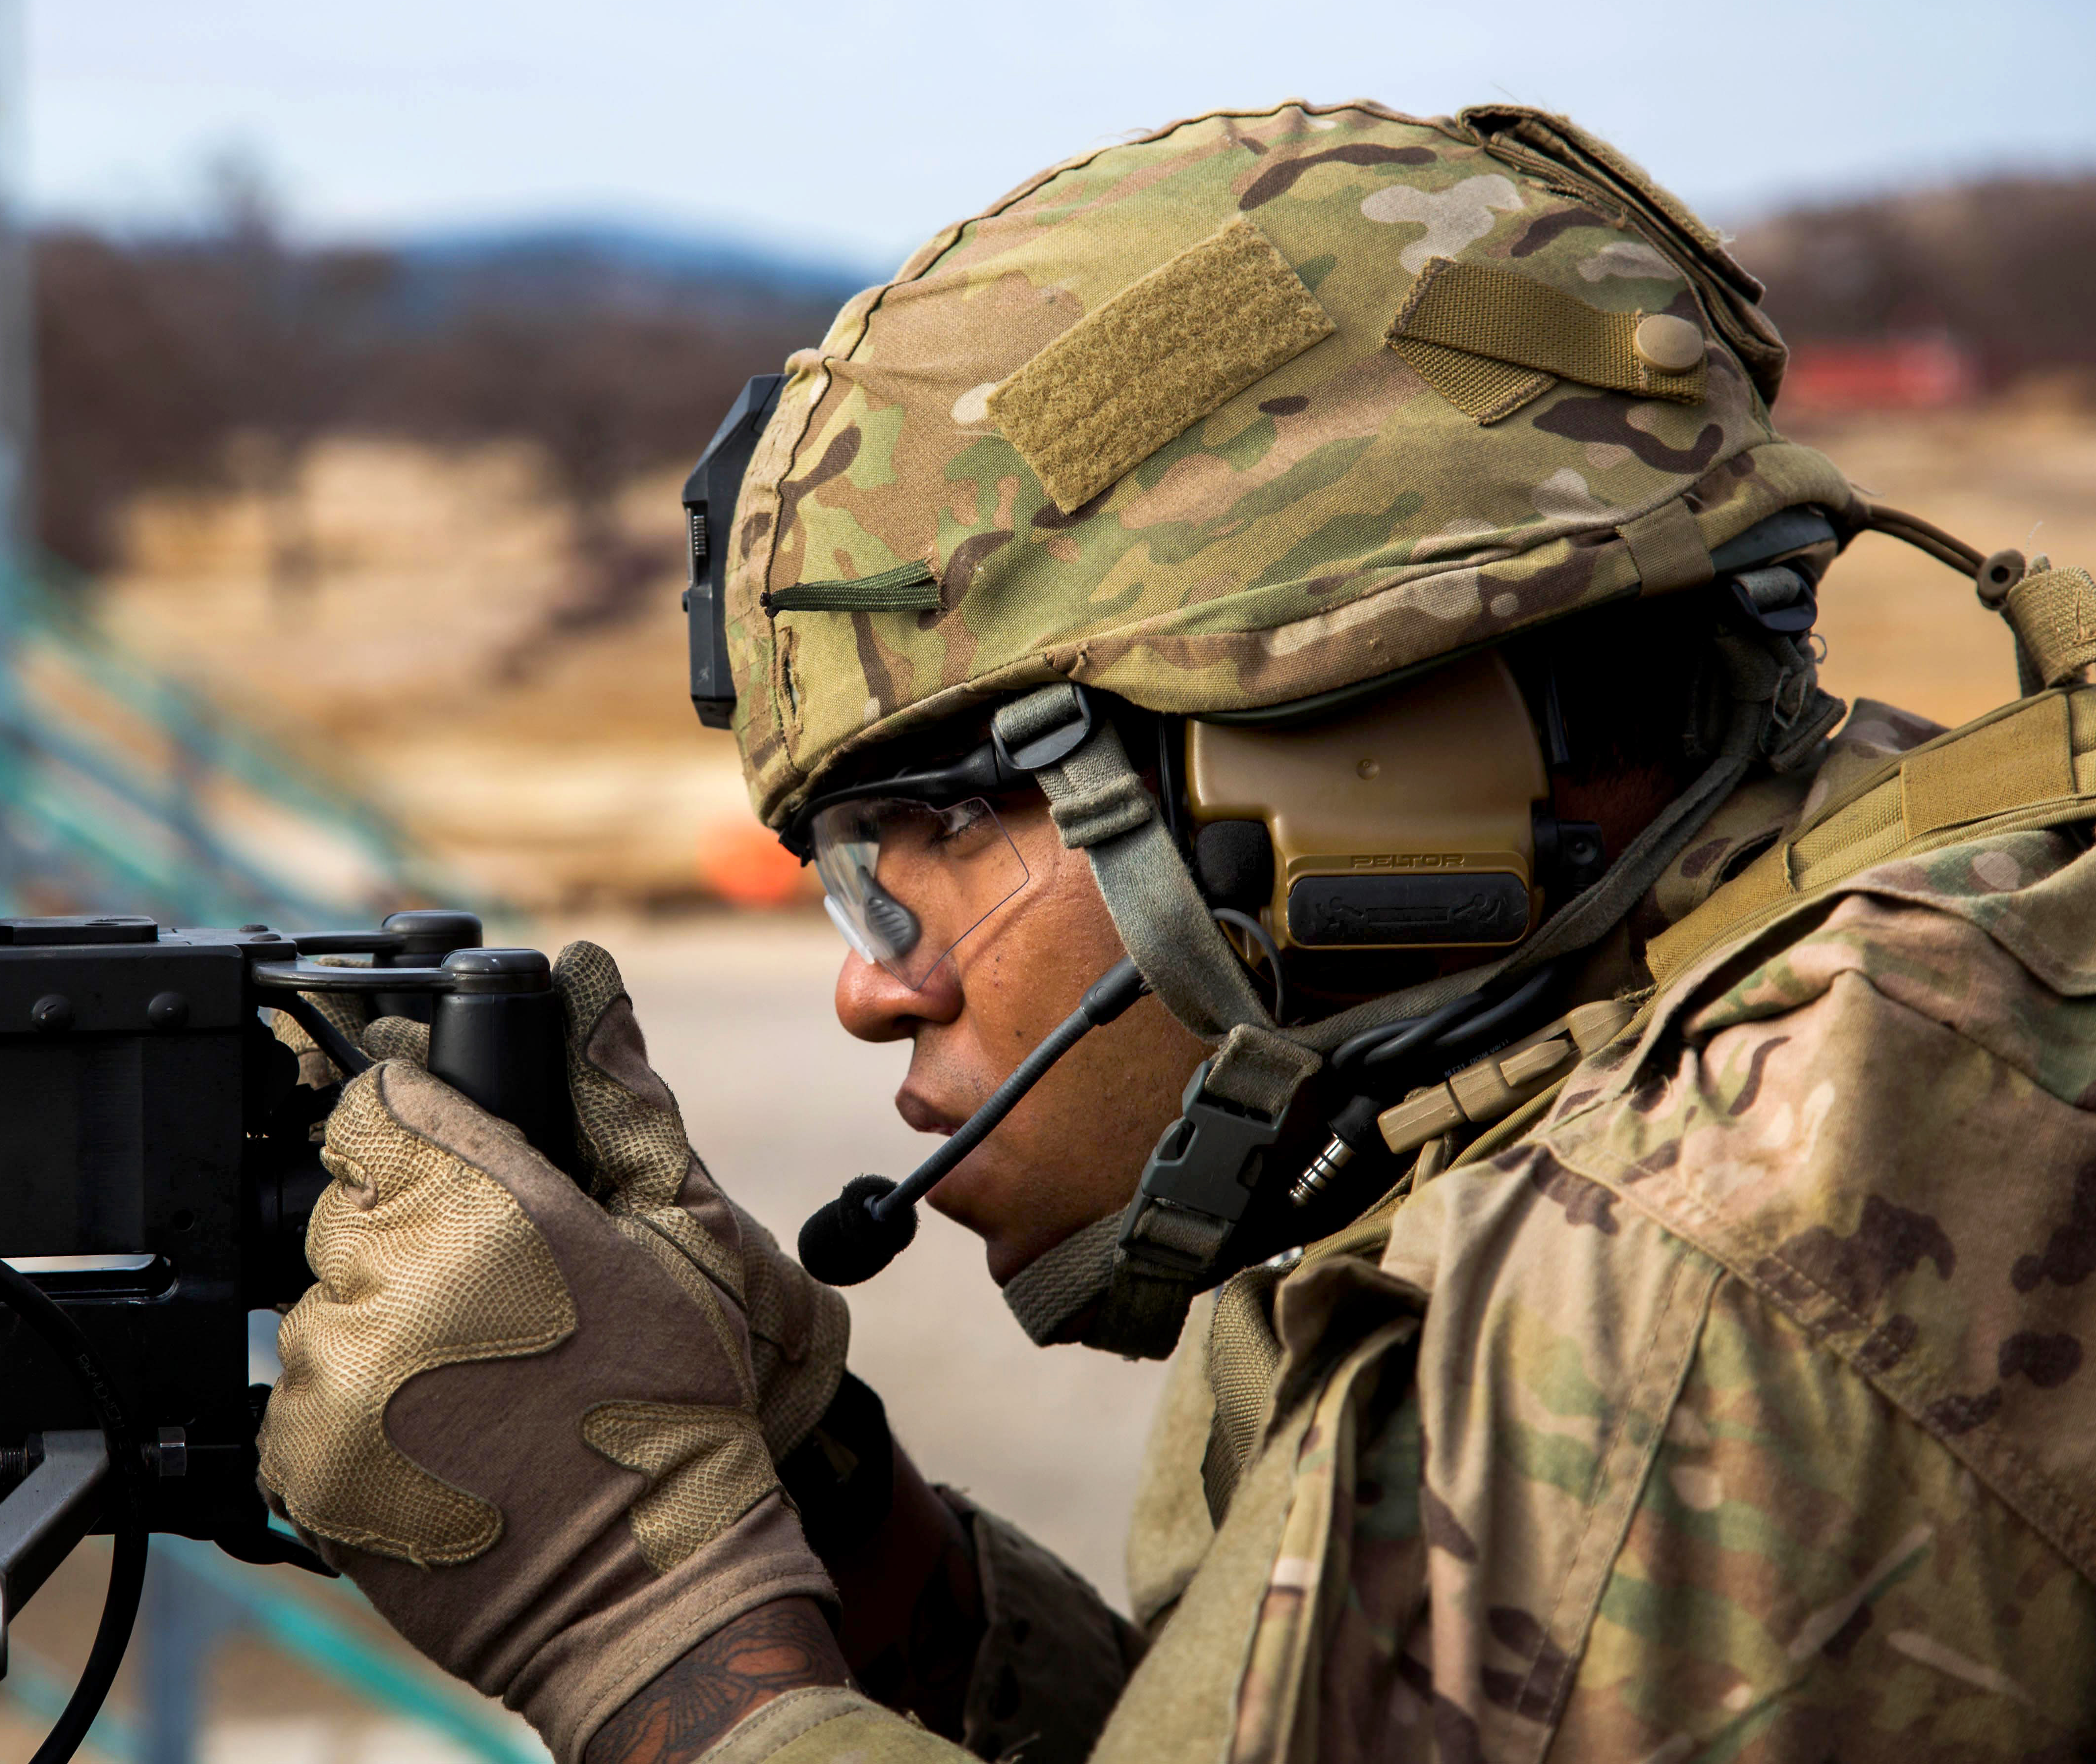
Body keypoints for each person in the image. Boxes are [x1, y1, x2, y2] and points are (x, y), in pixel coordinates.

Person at [256, 100, 2096, 1764]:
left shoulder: (1711, 1277)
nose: (867, 980)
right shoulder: (1735, 1026)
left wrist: (635, 1627)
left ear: (1362, 761)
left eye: (928, 833)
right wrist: (805, 1485)